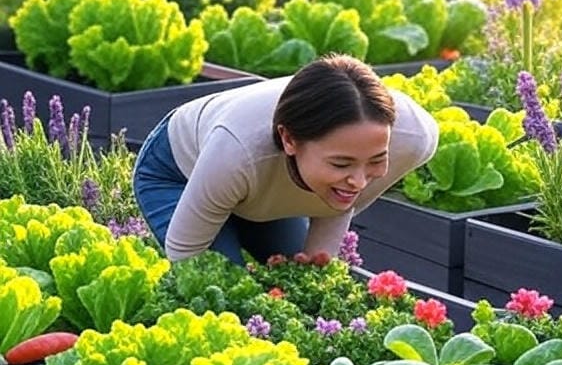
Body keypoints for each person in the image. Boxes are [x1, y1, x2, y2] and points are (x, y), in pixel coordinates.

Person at [132, 54, 439, 265]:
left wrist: (320, 261)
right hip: (179, 173)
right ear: (290, 139)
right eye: (341, 163)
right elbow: (187, 257)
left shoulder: (412, 141)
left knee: (300, 281)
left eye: (375, 160)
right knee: (223, 294)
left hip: (267, 178)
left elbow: (342, 199)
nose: (360, 179)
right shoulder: (237, 152)